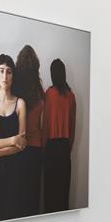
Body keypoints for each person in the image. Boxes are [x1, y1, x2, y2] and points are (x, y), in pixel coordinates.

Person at [0, 53, 29, 220]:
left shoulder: (20, 103)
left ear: (13, 75)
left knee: (14, 214)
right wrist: (12, 140)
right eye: (1, 70)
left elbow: (22, 144)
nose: (5, 76)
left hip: (16, 167)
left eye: (9, 72)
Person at [12, 45, 48, 216]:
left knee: (18, 196)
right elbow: (42, 123)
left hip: (18, 148)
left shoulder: (15, 91)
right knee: (33, 197)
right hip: (36, 147)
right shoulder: (40, 92)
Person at [43, 58, 78, 213]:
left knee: (50, 192)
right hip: (64, 147)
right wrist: (68, 147)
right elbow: (73, 126)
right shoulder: (71, 96)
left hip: (50, 147)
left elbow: (45, 124)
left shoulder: (48, 94)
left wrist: (44, 148)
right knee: (63, 192)